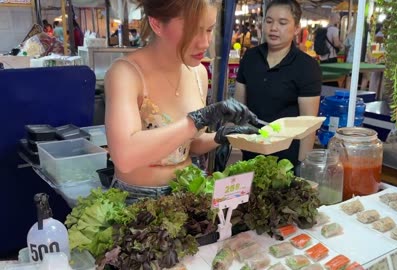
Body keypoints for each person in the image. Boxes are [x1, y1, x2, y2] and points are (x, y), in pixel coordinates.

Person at [104, 0, 258, 203]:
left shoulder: (198, 73)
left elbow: (186, 146)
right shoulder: (125, 73)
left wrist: (220, 137)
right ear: (157, 24)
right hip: (137, 200)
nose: (204, 43)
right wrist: (198, 119)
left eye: (209, 30)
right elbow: (125, 157)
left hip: (188, 192)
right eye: (193, 31)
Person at [235, 0, 322, 169]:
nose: (273, 28)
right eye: (269, 21)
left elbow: (308, 126)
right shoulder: (250, 57)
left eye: (282, 23)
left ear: (296, 28)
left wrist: (302, 167)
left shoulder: (306, 66)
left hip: (286, 160)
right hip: (251, 152)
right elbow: (238, 108)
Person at [343, 18, 369, 89]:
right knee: (365, 76)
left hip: (351, 58)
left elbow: (345, 46)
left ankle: (348, 93)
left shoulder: (351, 34)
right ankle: (361, 92)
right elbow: (368, 47)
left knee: (350, 77)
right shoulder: (366, 35)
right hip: (363, 58)